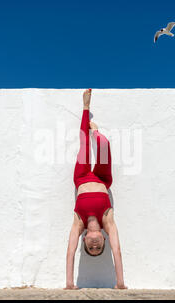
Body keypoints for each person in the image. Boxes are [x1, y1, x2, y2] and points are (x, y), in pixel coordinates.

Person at [65, 89, 127, 290]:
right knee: (103, 144)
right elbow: (116, 251)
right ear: (103, 238)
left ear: (84, 239)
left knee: (84, 144)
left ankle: (85, 107)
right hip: (102, 178)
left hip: (81, 177)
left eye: (90, 248)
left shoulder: (78, 224)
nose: (95, 246)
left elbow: (70, 252)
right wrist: (120, 283)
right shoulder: (108, 223)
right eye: (98, 248)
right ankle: (97, 132)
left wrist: (69, 283)